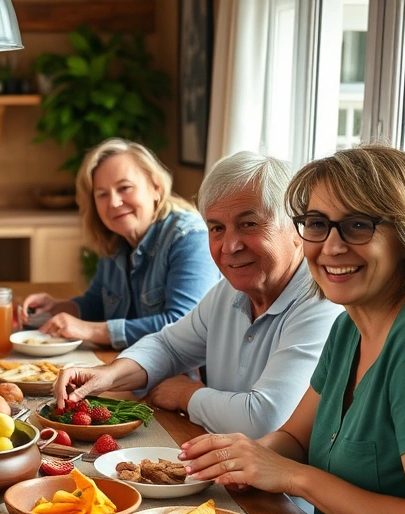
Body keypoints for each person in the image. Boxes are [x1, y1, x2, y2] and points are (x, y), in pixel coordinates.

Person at [181, 146, 405, 514]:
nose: (332, 247)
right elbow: (295, 438)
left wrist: (295, 477)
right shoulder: (351, 324)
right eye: (318, 225)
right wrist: (241, 459)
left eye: (358, 226)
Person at [53, 151, 343, 438]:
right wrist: (109, 375)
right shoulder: (228, 291)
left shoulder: (322, 302)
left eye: (249, 224)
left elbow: (264, 420)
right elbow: (168, 346)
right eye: (217, 228)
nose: (229, 246)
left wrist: (186, 394)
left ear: (297, 228)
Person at [22, 139, 219, 348]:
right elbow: (97, 303)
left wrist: (88, 330)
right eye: (102, 194)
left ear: (156, 188)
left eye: (125, 188)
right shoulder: (116, 239)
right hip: (133, 364)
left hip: (186, 376)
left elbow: (184, 328)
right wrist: (58, 308)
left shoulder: (190, 237)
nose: (114, 203)